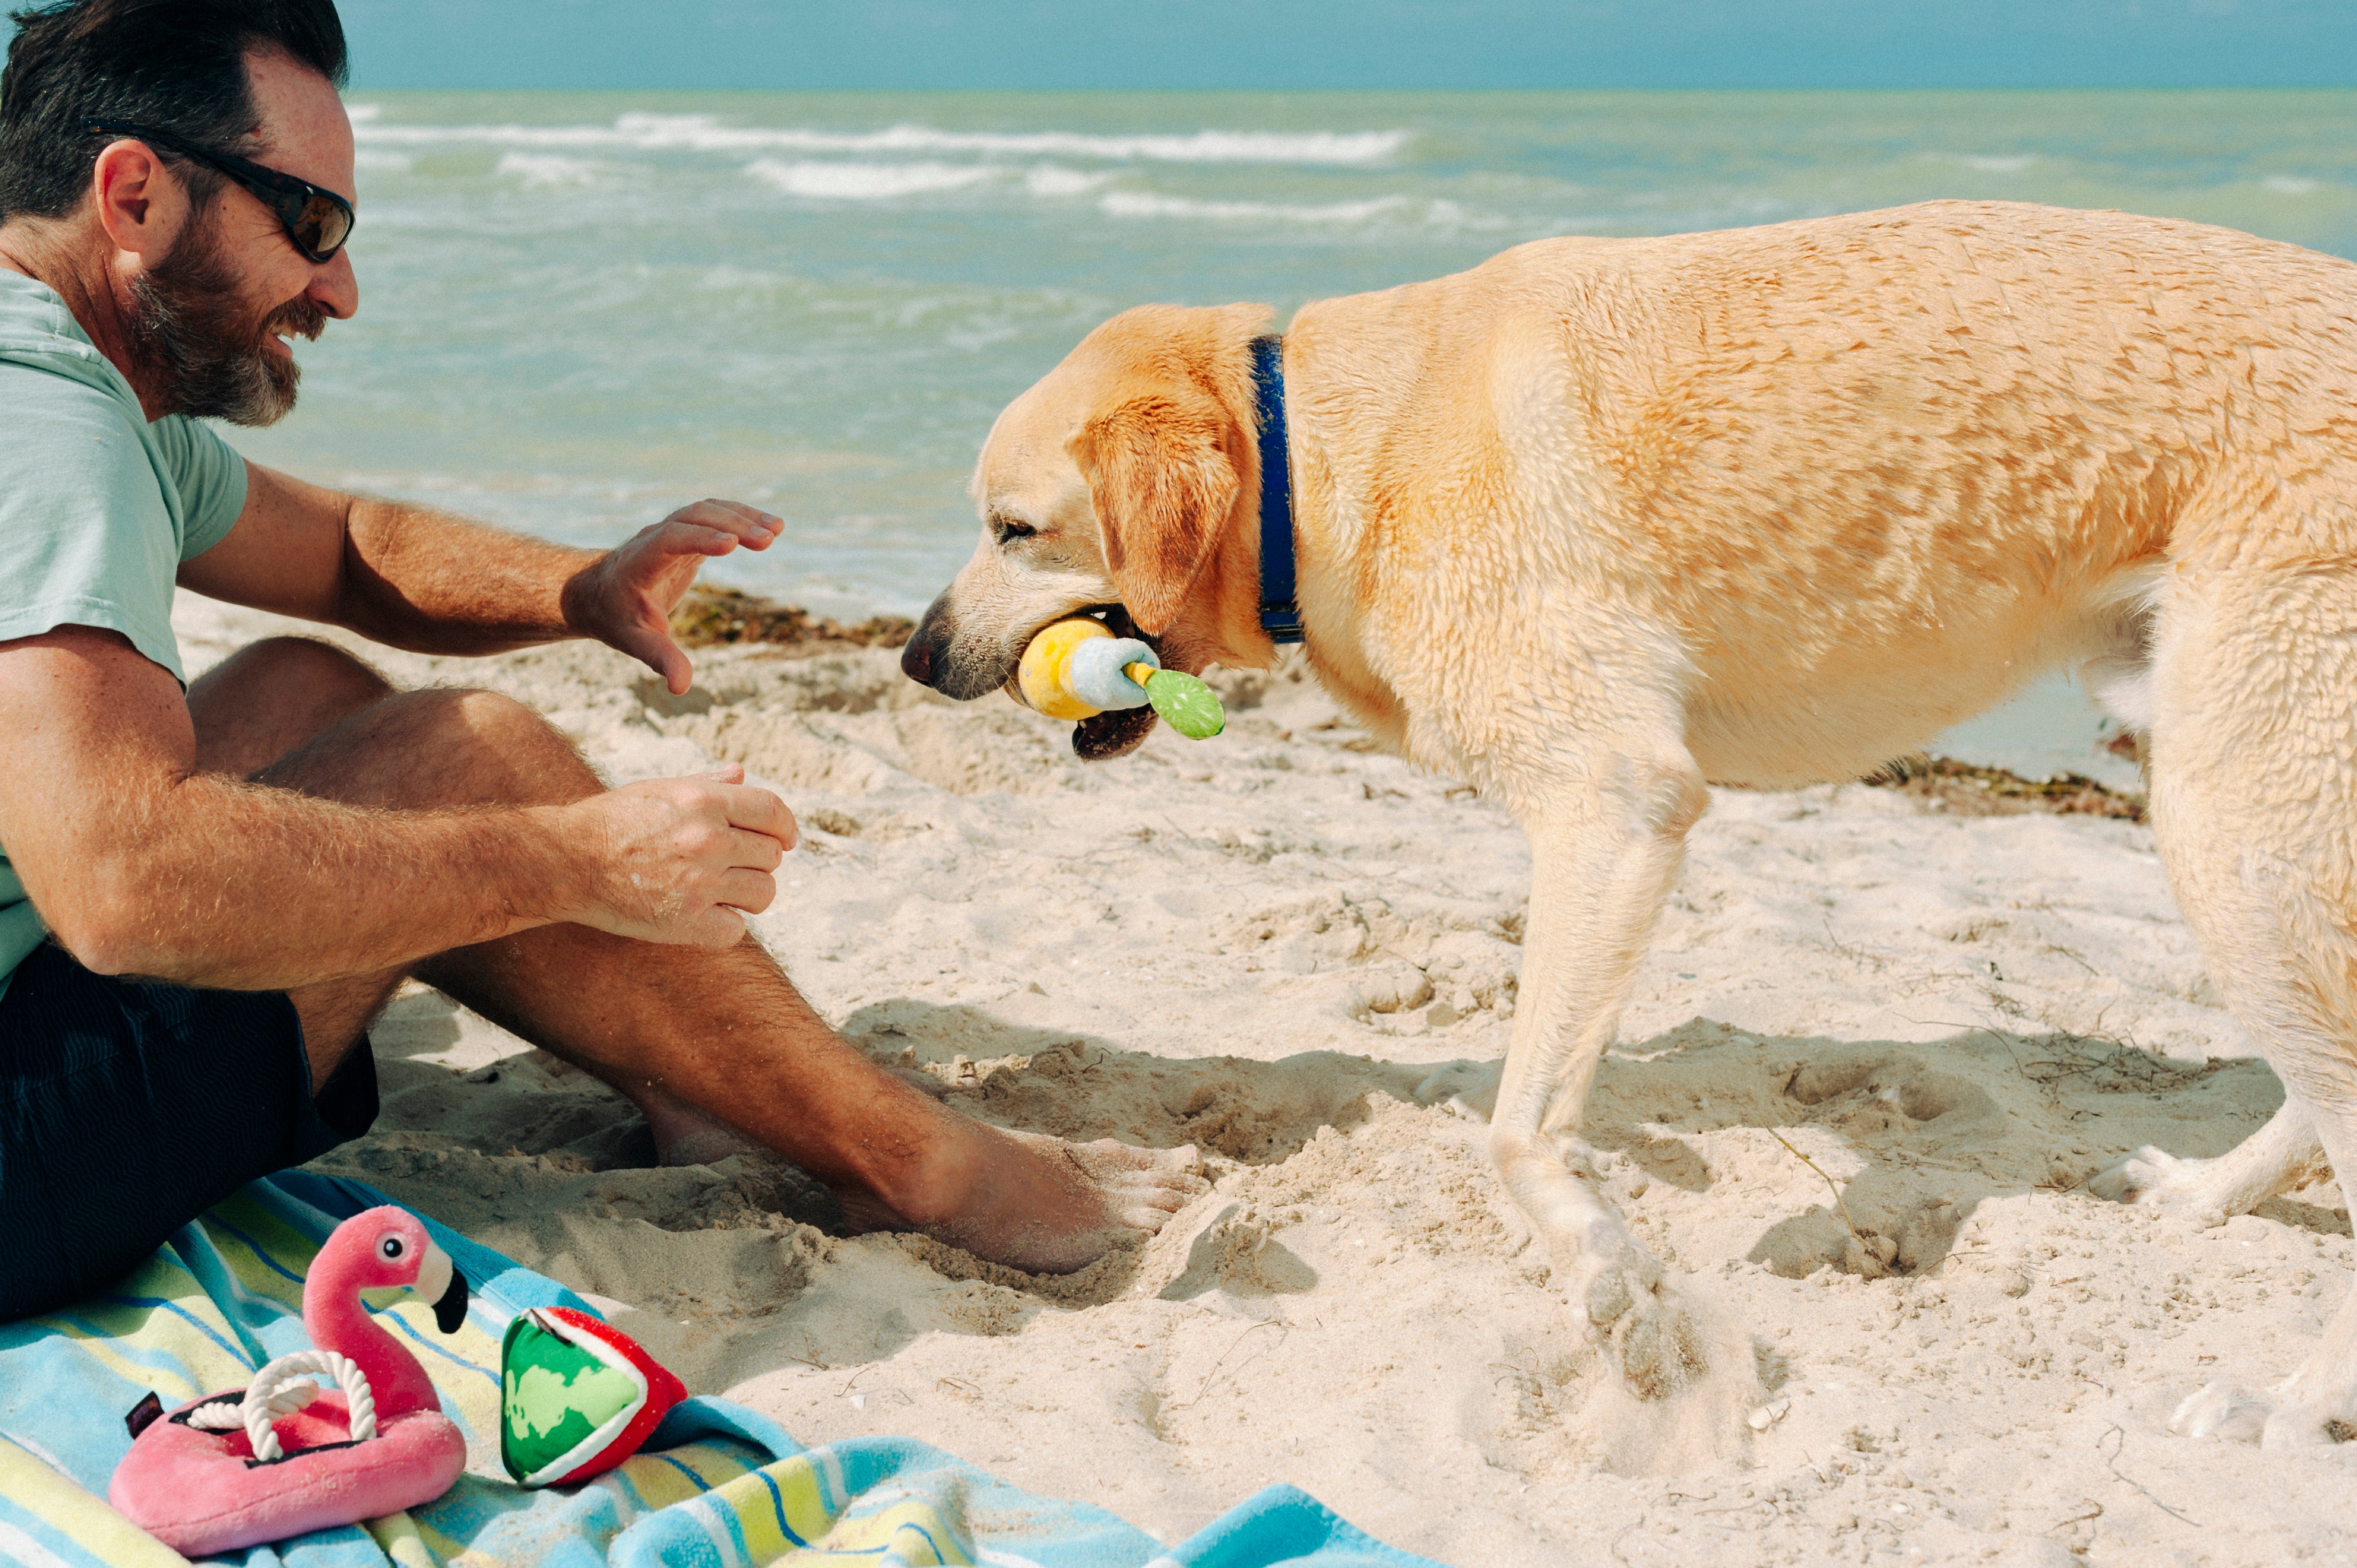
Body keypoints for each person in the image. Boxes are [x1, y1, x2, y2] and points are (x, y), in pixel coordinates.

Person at [0, 0, 1203, 1322]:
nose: (339, 288)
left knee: (306, 690)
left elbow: (347, 548)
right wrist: (579, 861)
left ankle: (699, 1085)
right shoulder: (46, 423)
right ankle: (916, 1165)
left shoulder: (71, 380)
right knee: (475, 761)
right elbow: (123, 886)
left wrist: (583, 589)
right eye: (313, 225)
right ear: (132, 194)